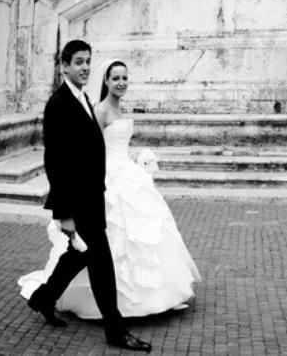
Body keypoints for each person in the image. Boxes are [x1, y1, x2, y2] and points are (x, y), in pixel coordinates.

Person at [20, 58, 201, 321]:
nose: (121, 83)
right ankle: (108, 316)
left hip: (127, 175)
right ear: (105, 81)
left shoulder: (121, 110)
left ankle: (46, 298)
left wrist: (138, 161)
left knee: (90, 251)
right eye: (115, 78)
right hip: (103, 183)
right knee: (94, 250)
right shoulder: (99, 110)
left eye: (124, 78)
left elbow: (117, 145)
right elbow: (90, 150)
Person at [19, 40, 152, 352]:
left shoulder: (83, 97)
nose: (85, 67)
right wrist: (63, 213)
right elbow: (56, 161)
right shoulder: (58, 104)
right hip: (78, 201)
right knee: (102, 264)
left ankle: (43, 298)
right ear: (64, 65)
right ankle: (115, 331)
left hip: (93, 196)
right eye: (79, 62)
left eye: (88, 61)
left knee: (79, 255)